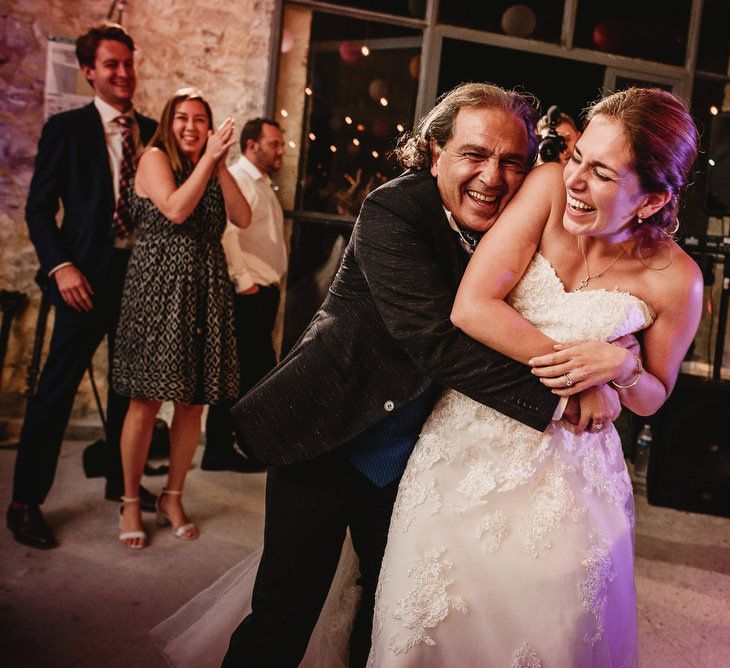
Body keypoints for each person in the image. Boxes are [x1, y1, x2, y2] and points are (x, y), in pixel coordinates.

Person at [218, 83, 570, 668]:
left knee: (391, 624)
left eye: (512, 161)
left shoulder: (517, 231)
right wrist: (560, 398)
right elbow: (436, 340)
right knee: (283, 618)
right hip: (325, 438)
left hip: (414, 466)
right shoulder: (393, 210)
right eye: (474, 155)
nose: (492, 176)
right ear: (435, 154)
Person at [369, 88, 702, 666]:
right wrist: (580, 376)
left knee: (551, 632)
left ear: (651, 201)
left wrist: (622, 368)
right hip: (464, 450)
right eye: (577, 157)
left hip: (572, 483)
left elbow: (654, 398)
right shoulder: (546, 188)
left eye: (601, 173)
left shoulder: (679, 280)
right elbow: (473, 306)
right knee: (429, 629)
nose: (575, 179)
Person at [6, 23, 158, 550]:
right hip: (82, 278)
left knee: (129, 390)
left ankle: (124, 489)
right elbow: (39, 210)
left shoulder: (153, 130)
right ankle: (25, 501)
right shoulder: (66, 129)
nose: (123, 73)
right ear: (89, 71)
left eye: (128, 63)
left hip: (140, 280)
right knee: (55, 391)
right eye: (111, 65)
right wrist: (61, 267)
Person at [112, 88, 251, 549]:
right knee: (146, 401)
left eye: (199, 119)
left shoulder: (212, 166)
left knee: (192, 402)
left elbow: (243, 217)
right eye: (182, 118)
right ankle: (131, 500)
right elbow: (174, 209)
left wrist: (220, 163)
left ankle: (172, 496)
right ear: (169, 123)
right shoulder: (154, 158)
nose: (191, 127)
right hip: (157, 289)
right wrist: (206, 161)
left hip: (205, 289)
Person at [202, 118, 286, 474]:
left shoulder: (262, 181)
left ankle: (232, 446)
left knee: (249, 373)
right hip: (247, 292)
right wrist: (244, 281)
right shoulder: (238, 177)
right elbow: (226, 233)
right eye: (274, 144)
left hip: (262, 290)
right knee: (244, 375)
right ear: (251, 146)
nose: (280, 150)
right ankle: (223, 449)